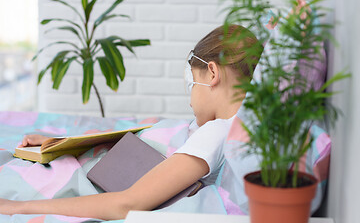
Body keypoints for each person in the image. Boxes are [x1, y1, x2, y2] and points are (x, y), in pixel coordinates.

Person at [0, 25, 262, 220]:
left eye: (192, 83)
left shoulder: (216, 132)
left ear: (212, 73)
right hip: (98, 158)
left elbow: (125, 203)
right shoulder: (237, 130)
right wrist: (63, 143)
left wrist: (17, 207)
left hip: (79, 178)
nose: (190, 100)